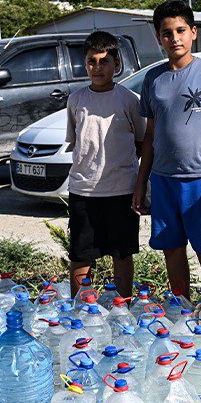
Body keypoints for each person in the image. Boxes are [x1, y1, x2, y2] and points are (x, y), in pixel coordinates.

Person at [131, 0, 201, 302]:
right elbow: (150, 136)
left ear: (193, 32)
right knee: (172, 249)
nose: (174, 38)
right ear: (158, 38)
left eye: (180, 30)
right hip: (164, 181)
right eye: (166, 33)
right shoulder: (153, 78)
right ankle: (182, 310)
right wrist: (141, 183)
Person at [65, 31, 146, 296]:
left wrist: (136, 184)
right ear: (84, 63)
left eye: (104, 61)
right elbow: (76, 142)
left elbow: (141, 142)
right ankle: (79, 309)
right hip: (83, 191)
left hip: (121, 191)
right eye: (91, 61)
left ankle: (124, 305)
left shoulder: (129, 100)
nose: (97, 67)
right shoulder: (76, 100)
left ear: (116, 64)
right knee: (80, 255)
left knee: (121, 255)